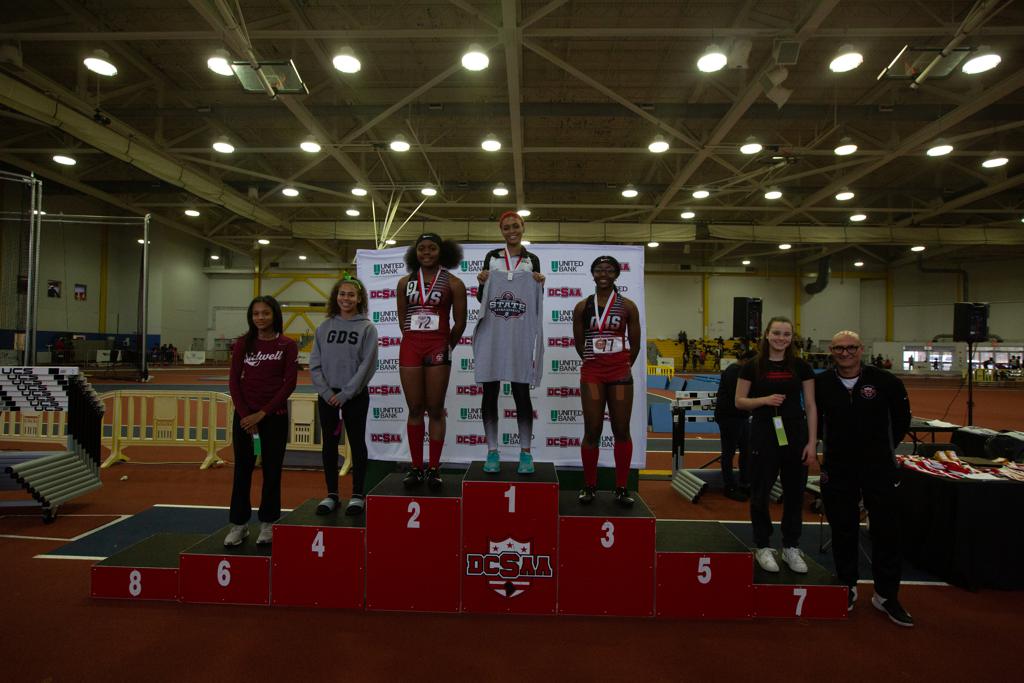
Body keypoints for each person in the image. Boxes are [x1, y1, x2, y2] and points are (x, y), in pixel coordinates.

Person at [815, 330, 913, 626]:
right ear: (831, 351)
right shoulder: (821, 384)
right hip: (838, 468)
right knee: (843, 529)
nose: (846, 353)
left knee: (886, 532)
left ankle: (886, 595)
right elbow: (813, 420)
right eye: (839, 348)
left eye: (851, 347)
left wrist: (881, 449)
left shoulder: (886, 382)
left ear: (861, 349)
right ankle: (847, 586)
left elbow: (901, 420)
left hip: (879, 468)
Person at [735, 316, 817, 574]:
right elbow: (739, 401)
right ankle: (763, 545)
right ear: (767, 335)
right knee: (760, 493)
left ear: (792, 338)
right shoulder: (752, 366)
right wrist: (764, 400)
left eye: (786, 334)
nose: (781, 338)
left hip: (795, 434)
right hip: (763, 433)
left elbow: (812, 406)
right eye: (777, 333)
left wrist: (812, 443)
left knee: (794, 493)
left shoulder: (802, 367)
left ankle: (791, 546)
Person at [474, 211, 545, 474]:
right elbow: (482, 298)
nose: (511, 230)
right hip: (493, 335)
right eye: (507, 227)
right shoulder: (492, 257)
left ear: (523, 226)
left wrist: (540, 282)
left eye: (516, 226)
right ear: (501, 230)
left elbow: (535, 301)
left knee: (521, 394)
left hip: (518, 337)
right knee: (489, 393)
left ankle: (525, 453)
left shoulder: (532, 259)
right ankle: (492, 451)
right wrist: (481, 282)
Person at [225, 295, 298, 547]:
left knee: (272, 471)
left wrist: (263, 413)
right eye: (256, 313)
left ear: (274, 315)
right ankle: (239, 524)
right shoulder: (242, 345)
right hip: (246, 422)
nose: (260, 318)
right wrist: (246, 415)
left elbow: (289, 384)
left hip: (273, 419)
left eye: (265, 313)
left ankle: (268, 523)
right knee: (243, 470)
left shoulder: (287, 345)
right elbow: (234, 382)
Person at [396, 233, 467, 489]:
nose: (426, 252)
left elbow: (460, 322)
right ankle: (416, 467)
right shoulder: (405, 283)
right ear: (415, 253)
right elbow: (403, 317)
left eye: (432, 248)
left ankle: (434, 468)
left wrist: (447, 345)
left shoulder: (454, 283)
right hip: (411, 346)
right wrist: (414, 339)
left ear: (442, 251)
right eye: (422, 248)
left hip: (439, 345)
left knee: (435, 408)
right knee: (415, 408)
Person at [572, 255, 641, 506]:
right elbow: (580, 343)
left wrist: (620, 365)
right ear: (592, 273)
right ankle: (589, 485)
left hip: (620, 374)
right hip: (592, 373)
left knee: (621, 430)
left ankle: (621, 487)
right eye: (599, 269)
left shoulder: (628, 306)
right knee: (592, 430)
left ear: (616, 274)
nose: (604, 273)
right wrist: (595, 360)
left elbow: (635, 344)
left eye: (609, 269)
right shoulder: (583, 306)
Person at [309, 275, 378, 516]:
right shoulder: (324, 327)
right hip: (328, 397)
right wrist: (327, 392)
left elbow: (367, 365)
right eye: (342, 294)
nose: (345, 298)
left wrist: (347, 393)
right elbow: (315, 364)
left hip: (354, 396)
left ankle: (358, 495)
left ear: (359, 299)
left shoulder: (367, 327)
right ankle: (332, 495)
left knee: (357, 444)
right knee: (329, 445)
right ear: (335, 297)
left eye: (351, 294)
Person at [715, 351, 754, 501]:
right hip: (729, 417)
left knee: (747, 450)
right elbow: (737, 396)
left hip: (741, 416)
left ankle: (745, 482)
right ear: (745, 360)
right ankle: (729, 486)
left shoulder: (741, 371)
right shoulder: (733, 372)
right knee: (729, 452)